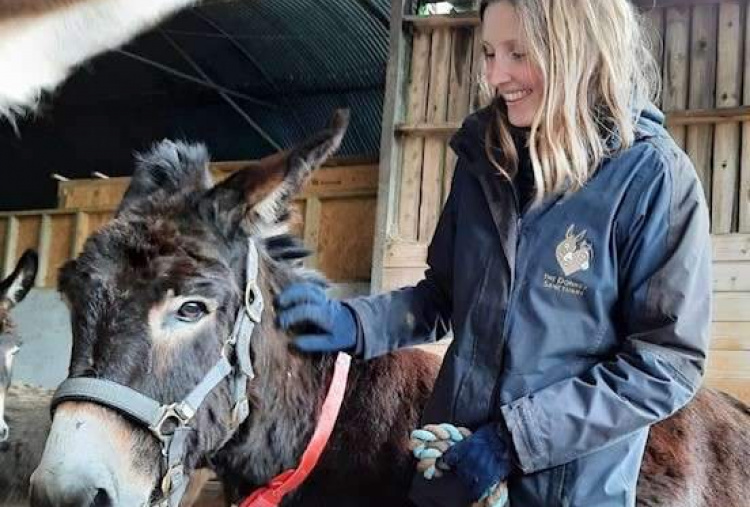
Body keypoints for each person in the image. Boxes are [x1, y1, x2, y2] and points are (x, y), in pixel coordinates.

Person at [274, 0, 712, 505]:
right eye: (487, 53)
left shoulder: (653, 180)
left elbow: (665, 363)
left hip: (565, 492)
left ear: (577, 51)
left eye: (517, 54)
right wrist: (354, 323)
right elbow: (441, 296)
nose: (495, 75)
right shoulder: (484, 158)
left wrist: (512, 441)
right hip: (453, 473)